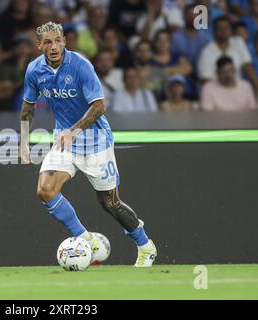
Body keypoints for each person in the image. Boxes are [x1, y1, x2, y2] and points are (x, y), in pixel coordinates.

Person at [20, 22, 157, 267]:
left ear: (64, 41)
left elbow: (99, 106)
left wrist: (74, 130)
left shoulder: (81, 66)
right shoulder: (34, 70)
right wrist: (23, 141)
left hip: (96, 142)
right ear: (39, 45)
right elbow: (28, 107)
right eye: (48, 42)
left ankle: (145, 245)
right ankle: (87, 239)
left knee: (110, 204)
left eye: (58, 40)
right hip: (65, 142)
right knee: (46, 189)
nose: (54, 46)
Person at [197, 16, 258, 93]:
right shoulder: (206, 52)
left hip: (237, 89)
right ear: (214, 31)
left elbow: (248, 66)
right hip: (216, 92)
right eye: (220, 28)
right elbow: (206, 82)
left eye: (226, 28)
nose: (223, 31)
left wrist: (256, 82)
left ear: (231, 30)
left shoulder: (238, 42)